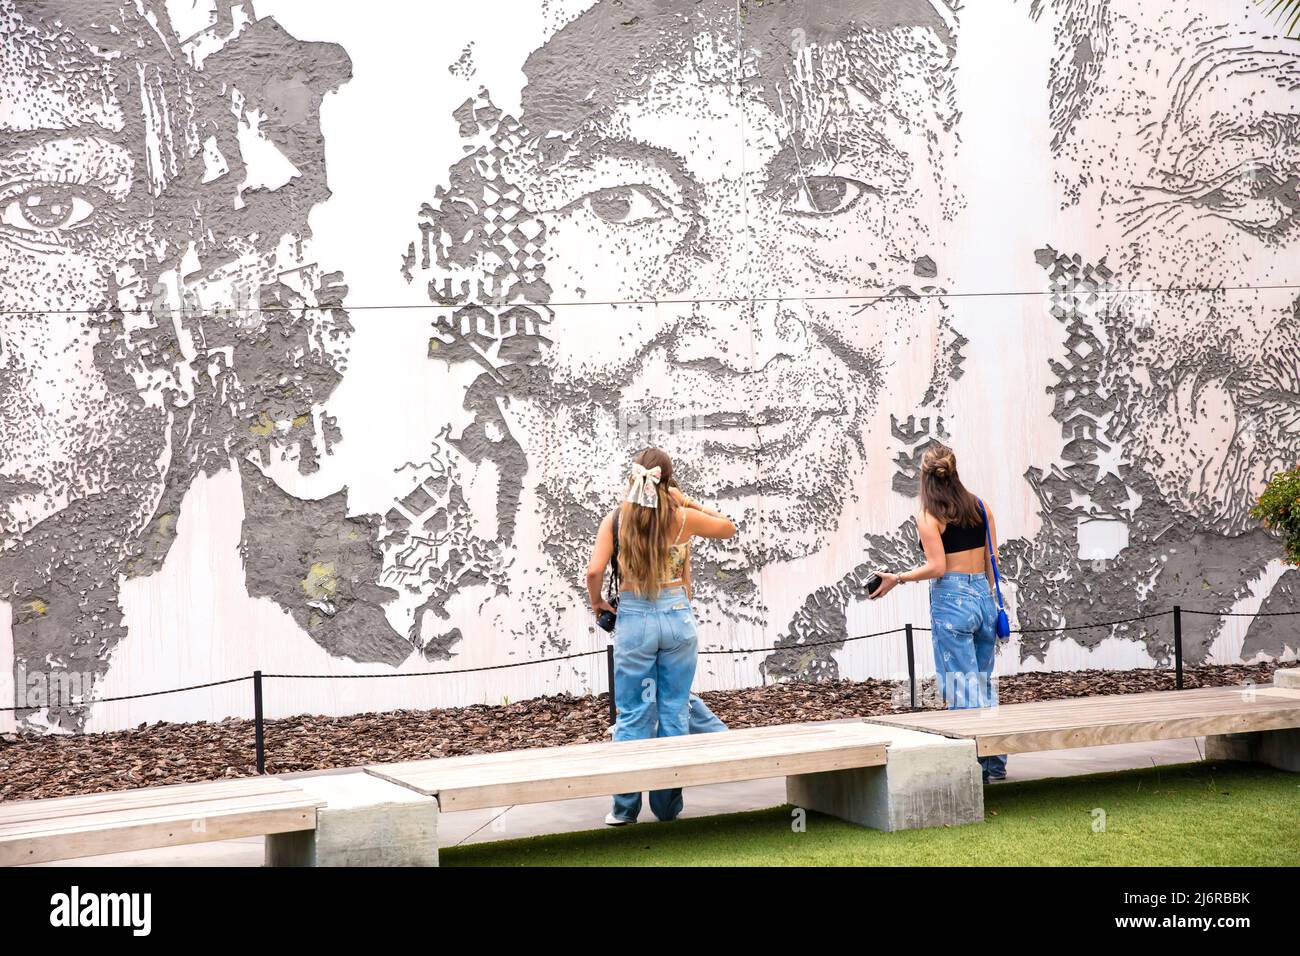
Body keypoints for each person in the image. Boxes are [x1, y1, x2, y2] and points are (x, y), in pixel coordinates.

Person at [586, 448, 736, 824]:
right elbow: (728, 525)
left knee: (633, 713)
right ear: (666, 481)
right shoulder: (683, 519)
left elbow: (593, 571)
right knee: (673, 709)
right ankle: (667, 808)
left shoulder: (617, 520)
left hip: (634, 617)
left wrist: (599, 603)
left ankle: (624, 810)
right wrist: (686, 500)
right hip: (676, 615)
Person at [868, 444, 1008, 782]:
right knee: (982, 682)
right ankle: (995, 763)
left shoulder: (929, 517)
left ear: (925, 479)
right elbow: (994, 559)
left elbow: (937, 566)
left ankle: (970, 768)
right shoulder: (980, 505)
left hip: (952, 601)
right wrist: (989, 603)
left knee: (961, 684)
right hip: (983, 598)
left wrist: (896, 578)